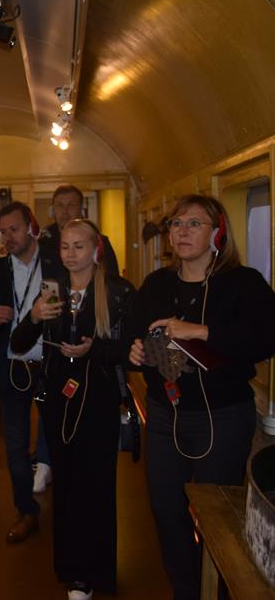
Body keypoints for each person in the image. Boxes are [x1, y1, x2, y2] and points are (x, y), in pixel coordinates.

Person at [127, 194, 275, 600]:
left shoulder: (243, 283)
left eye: (194, 223)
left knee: (216, 514)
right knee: (166, 509)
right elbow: (136, 337)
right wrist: (134, 352)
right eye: (176, 224)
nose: (182, 231)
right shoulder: (156, 285)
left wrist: (202, 331)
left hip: (222, 417)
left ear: (218, 233)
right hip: (165, 414)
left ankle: (218, 592)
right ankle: (187, 590)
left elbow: (265, 339)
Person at [12, 219, 135, 600]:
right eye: (65, 246)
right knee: (65, 488)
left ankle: (96, 572)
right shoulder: (52, 291)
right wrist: (34, 317)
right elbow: (19, 343)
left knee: (96, 487)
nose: (70, 254)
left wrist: (93, 349)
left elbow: (132, 352)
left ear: (96, 249)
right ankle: (72, 572)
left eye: (78, 246)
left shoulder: (118, 291)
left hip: (98, 401)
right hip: (58, 402)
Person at [0, 201, 60, 543]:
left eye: (15, 229)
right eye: (3, 231)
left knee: (60, 438)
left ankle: (68, 509)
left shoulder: (56, 264)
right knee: (15, 448)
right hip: (11, 368)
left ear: (31, 227)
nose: (9, 237)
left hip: (51, 366)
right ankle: (26, 511)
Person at [40, 185, 119, 277]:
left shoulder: (98, 241)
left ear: (81, 209)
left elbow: (112, 278)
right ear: (53, 210)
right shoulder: (43, 242)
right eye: (60, 205)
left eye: (71, 205)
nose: (65, 211)